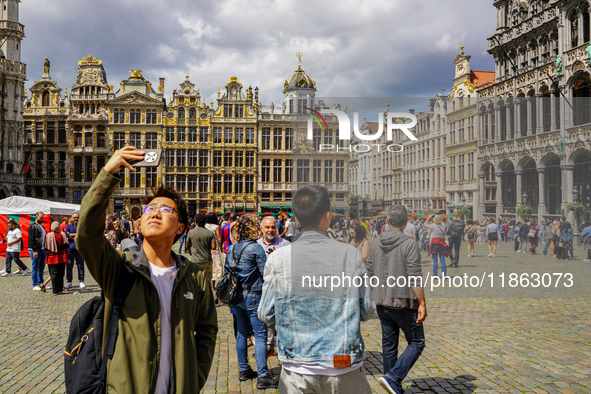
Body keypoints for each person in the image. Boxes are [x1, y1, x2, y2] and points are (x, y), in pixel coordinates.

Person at [77, 146, 217, 393]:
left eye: (165, 209)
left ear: (181, 228)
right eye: (148, 209)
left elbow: (206, 331)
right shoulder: (120, 268)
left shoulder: (195, 276)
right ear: (138, 224)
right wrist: (109, 172)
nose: (154, 212)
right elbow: (87, 234)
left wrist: (193, 380)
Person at [258, 185, 374, 393]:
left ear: (296, 219)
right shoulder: (351, 255)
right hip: (342, 364)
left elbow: (266, 313)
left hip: (297, 367)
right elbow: (366, 311)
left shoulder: (278, 258)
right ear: (328, 215)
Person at [366, 204, 426, 394]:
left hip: (382, 301)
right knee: (417, 342)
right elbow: (415, 276)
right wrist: (422, 302)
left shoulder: (375, 242)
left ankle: (391, 384)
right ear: (407, 221)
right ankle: (393, 378)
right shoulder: (409, 244)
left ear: (387, 221)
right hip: (404, 303)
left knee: (389, 345)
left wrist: (373, 297)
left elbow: (369, 274)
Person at [226, 215, 278, 389]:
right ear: (252, 229)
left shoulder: (231, 249)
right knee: (260, 334)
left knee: (241, 333)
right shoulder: (255, 248)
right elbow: (265, 274)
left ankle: (244, 369)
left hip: (237, 297)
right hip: (253, 295)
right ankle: (263, 376)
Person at [257, 216, 290, 358]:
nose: (270, 230)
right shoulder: (256, 245)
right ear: (262, 229)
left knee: (284, 321)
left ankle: (285, 349)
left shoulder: (286, 245)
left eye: (272, 227)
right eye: (267, 227)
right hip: (264, 288)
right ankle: (269, 347)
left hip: (284, 289)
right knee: (267, 320)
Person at [186, 213, 217, 286]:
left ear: (196, 221)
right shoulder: (210, 233)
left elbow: (187, 245)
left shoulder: (191, 232)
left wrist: (190, 252)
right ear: (205, 222)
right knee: (206, 282)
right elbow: (213, 247)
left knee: (194, 281)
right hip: (207, 260)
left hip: (195, 260)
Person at [44, 221, 69, 295]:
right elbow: (66, 245)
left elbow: (46, 247)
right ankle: (60, 289)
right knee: (60, 273)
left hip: (52, 257)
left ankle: (55, 291)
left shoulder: (48, 235)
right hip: (62, 256)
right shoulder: (62, 234)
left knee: (53, 273)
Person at [65, 212, 85, 290]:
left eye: (77, 217)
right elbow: (66, 235)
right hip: (70, 249)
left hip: (79, 249)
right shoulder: (69, 226)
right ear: (72, 218)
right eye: (75, 217)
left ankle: (81, 281)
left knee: (80, 266)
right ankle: (69, 281)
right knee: (69, 266)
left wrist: (71, 235)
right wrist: (76, 235)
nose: (76, 219)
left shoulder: (82, 226)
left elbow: (82, 235)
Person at [28, 211, 47, 291]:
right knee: (35, 267)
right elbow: (31, 239)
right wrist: (34, 250)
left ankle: (41, 283)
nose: (42, 219)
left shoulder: (42, 227)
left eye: (43, 218)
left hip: (42, 250)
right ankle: (34, 284)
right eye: (41, 218)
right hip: (36, 250)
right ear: (36, 216)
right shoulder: (32, 227)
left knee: (41, 268)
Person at [205, 213, 224, 286]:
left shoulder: (205, 226)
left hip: (206, 246)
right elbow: (219, 238)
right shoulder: (216, 226)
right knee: (215, 265)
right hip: (215, 248)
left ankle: (207, 284)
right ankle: (213, 285)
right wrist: (221, 246)